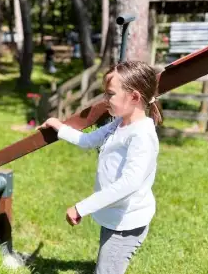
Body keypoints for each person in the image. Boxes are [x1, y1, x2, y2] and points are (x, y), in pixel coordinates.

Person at [36, 61, 163, 274]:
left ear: (134, 97)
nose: (105, 100)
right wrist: (59, 127)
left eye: (110, 94)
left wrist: (82, 207)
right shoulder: (119, 123)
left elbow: (128, 184)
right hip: (115, 216)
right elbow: (88, 141)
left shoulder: (142, 135)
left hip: (126, 223)